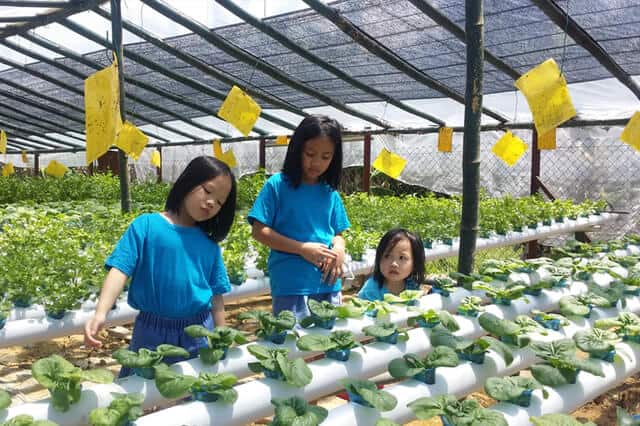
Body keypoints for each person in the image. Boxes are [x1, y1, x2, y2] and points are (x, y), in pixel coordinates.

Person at [84, 156, 237, 376]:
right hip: (151, 331)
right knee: (142, 393)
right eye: (207, 190)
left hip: (199, 332)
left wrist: (221, 336)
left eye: (220, 201)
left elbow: (216, 297)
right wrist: (100, 314)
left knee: (194, 395)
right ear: (188, 182)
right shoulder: (146, 226)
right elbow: (120, 270)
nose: (212, 202)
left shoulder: (209, 245)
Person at [249, 115, 350, 319]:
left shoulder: (329, 192)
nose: (317, 163)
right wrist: (301, 249)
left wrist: (339, 249)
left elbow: (338, 233)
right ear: (297, 149)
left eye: (326, 157)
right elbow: (259, 231)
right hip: (291, 284)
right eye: (310, 153)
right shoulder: (277, 185)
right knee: (294, 345)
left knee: (327, 345)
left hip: (328, 282)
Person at [358, 228, 425, 301]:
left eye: (402, 258)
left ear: (415, 263)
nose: (394, 264)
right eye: (387, 256)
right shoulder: (370, 290)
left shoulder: (413, 287)